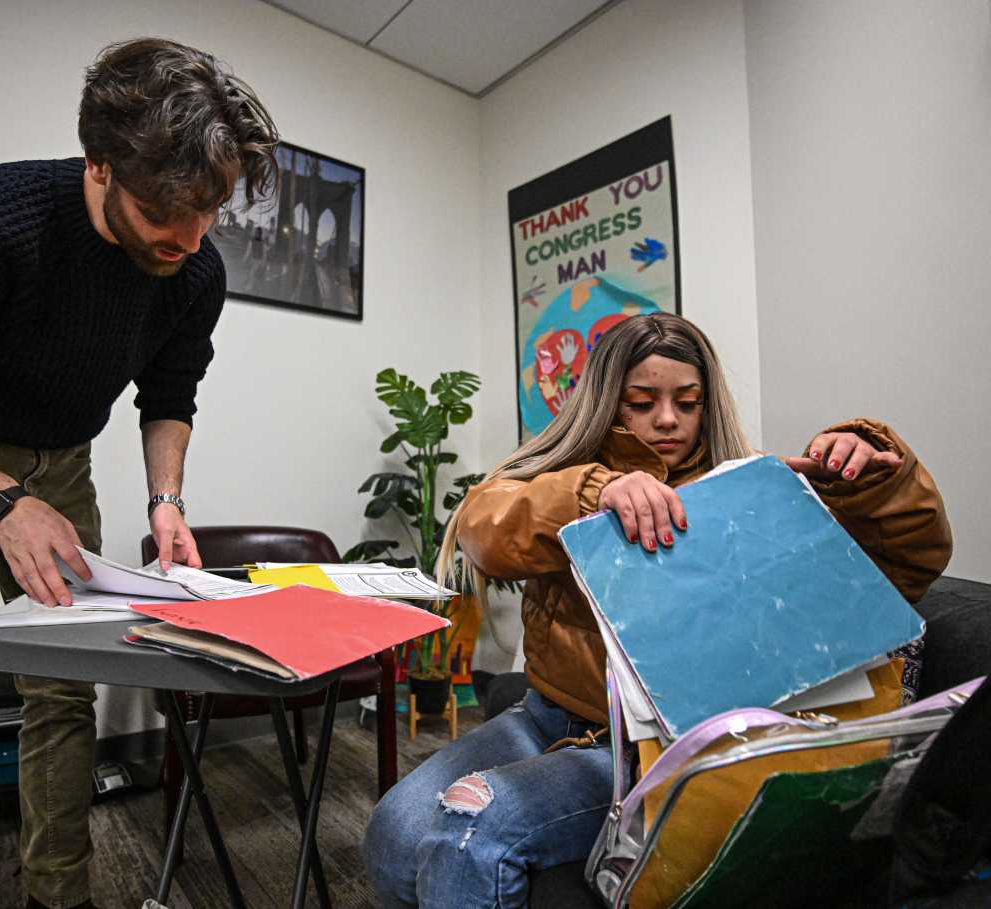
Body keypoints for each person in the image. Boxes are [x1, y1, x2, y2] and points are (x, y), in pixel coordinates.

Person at [0, 38, 278, 909]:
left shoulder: (194, 268)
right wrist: (1, 500)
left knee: (65, 693)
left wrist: (167, 500)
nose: (188, 239)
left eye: (209, 212)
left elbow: (170, 393)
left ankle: (58, 895)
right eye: (163, 211)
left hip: (63, 464)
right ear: (99, 164)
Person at [363, 312, 951, 908]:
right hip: (546, 718)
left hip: (653, 754)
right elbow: (484, 529)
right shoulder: (570, 479)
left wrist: (871, 478)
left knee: (471, 833)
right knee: (392, 833)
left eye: (687, 402)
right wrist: (593, 493)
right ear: (606, 402)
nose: (667, 418)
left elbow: (905, 567)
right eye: (641, 402)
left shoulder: (746, 490)